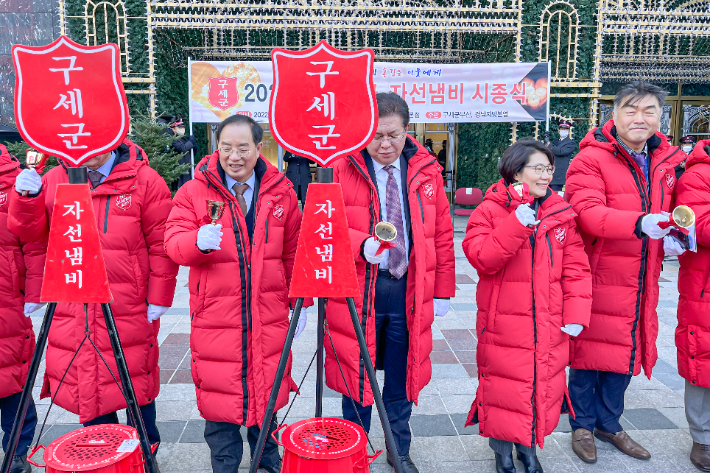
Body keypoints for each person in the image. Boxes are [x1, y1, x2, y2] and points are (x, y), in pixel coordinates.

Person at [9, 138, 178, 450]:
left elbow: (161, 244)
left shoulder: (144, 180)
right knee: (87, 379)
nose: (85, 152)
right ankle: (102, 449)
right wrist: (27, 198)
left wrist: (159, 296)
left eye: (96, 143)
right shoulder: (53, 179)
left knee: (134, 375)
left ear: (112, 139)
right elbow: (30, 235)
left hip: (127, 300)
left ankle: (144, 448)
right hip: (73, 299)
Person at [164, 115, 308, 473]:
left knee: (268, 398)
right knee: (220, 405)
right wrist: (195, 243)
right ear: (217, 147)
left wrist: (299, 301)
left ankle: (267, 463)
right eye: (226, 147)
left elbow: (293, 251)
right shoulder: (194, 191)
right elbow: (172, 242)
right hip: (216, 317)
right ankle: (225, 465)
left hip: (270, 314)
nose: (234, 155)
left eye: (243, 148)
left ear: (259, 149)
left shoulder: (282, 192)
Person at [324, 92, 455, 473]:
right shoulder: (340, 168)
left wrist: (443, 289)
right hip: (359, 290)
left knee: (401, 376)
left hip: (407, 292)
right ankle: (353, 452)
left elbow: (442, 235)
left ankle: (400, 451)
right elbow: (323, 225)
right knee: (356, 377)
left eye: (394, 136)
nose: (385, 145)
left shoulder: (426, 171)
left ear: (406, 131)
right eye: (377, 135)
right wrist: (358, 244)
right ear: (364, 132)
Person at [564, 81, 685, 463]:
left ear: (659, 117)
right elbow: (586, 212)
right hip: (599, 274)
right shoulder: (590, 159)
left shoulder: (666, 161)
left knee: (626, 350)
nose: (640, 118)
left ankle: (609, 424)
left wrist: (678, 234)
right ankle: (582, 425)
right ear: (613, 115)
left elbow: (679, 211)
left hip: (643, 277)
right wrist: (640, 223)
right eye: (630, 110)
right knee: (588, 353)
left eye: (649, 111)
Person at [462, 139, 592, 473]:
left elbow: (576, 269)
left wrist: (576, 314)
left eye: (549, 168)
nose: (547, 175)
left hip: (549, 323)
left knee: (542, 386)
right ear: (517, 171)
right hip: (504, 323)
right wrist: (516, 223)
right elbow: (482, 258)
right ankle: (502, 452)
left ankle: (529, 448)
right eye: (538, 168)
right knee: (505, 389)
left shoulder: (560, 214)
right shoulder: (490, 210)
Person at [0, 145, 42, 473]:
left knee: (11, 377)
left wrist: (35, 290)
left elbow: (35, 241)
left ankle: (16, 450)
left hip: (8, 299)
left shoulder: (17, 182)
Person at [671, 139, 710, 472]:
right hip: (704, 287)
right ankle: (703, 439)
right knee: (703, 359)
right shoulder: (698, 175)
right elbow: (698, 226)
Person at [549, 121, 578, 192]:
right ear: (558, 130)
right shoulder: (555, 142)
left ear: (568, 131)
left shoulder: (571, 143)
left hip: (559, 174)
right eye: (562, 129)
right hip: (549, 172)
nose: (564, 131)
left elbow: (560, 152)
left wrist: (548, 144)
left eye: (566, 130)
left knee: (555, 195)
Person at [168, 118, 196, 189]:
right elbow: (182, 149)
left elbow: (191, 152)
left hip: (187, 168)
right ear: (173, 129)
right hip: (179, 170)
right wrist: (190, 142)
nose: (182, 129)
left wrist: (194, 145)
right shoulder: (173, 140)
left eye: (183, 127)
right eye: (179, 128)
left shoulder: (184, 139)